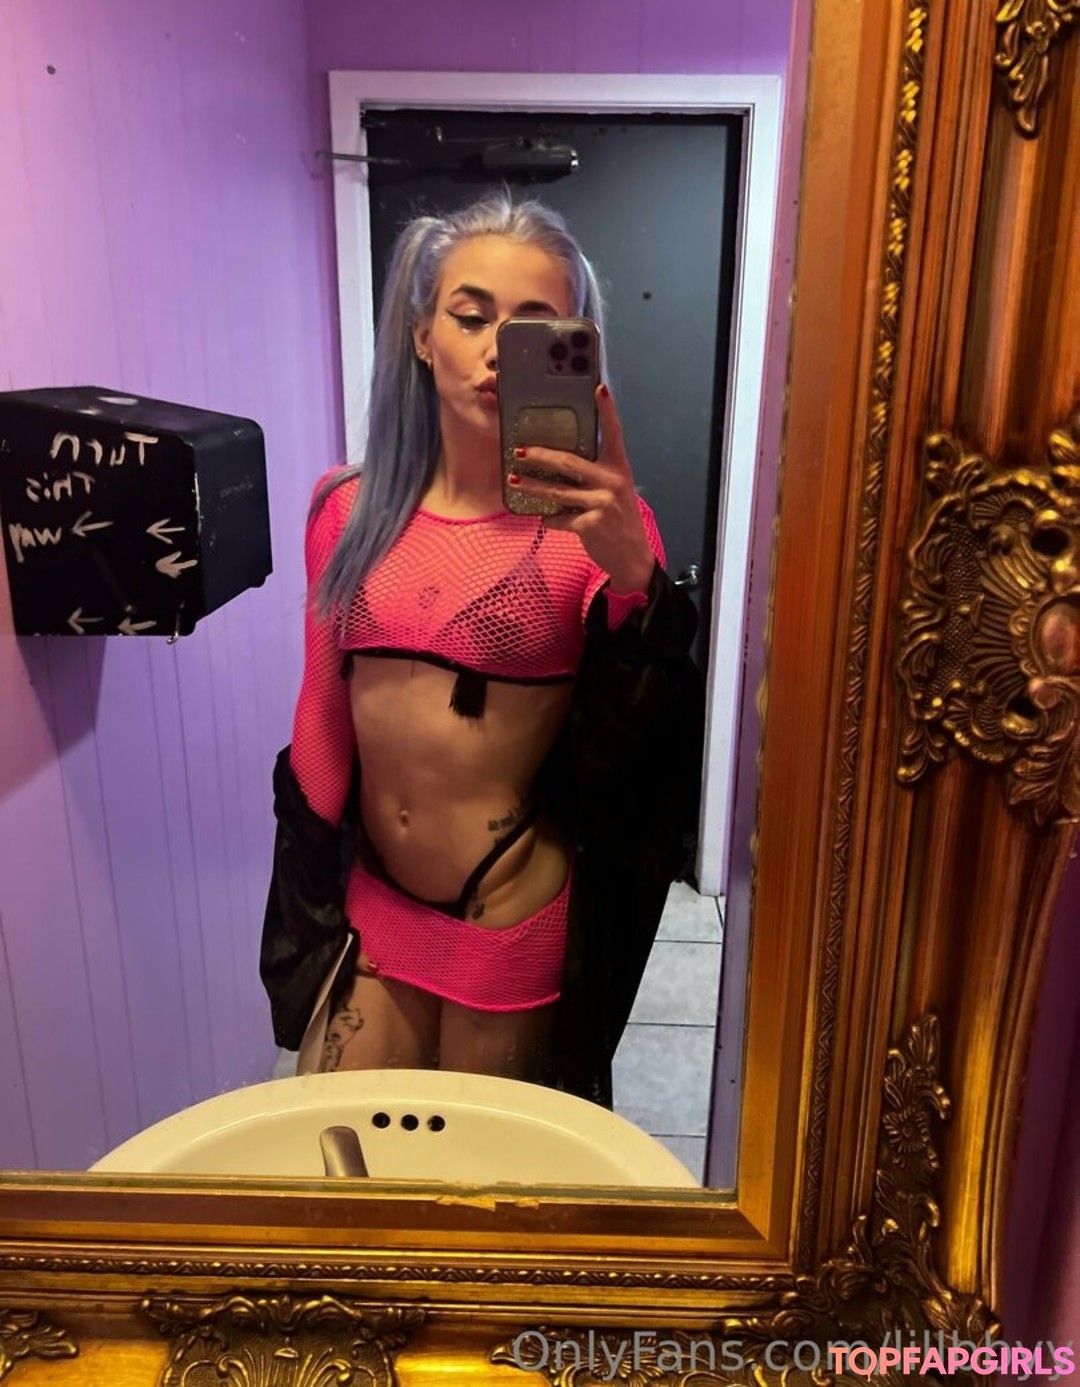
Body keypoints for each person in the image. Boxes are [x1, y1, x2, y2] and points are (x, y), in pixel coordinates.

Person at [261, 192, 703, 1106]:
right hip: (375, 905)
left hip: (511, 918)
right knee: (330, 1161)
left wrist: (636, 581)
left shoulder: (601, 534)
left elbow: (636, 756)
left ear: (576, 351)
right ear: (423, 336)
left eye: (535, 326)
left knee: (482, 1181)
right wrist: (303, 908)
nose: (500, 347)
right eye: (471, 317)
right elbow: (323, 713)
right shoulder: (345, 512)